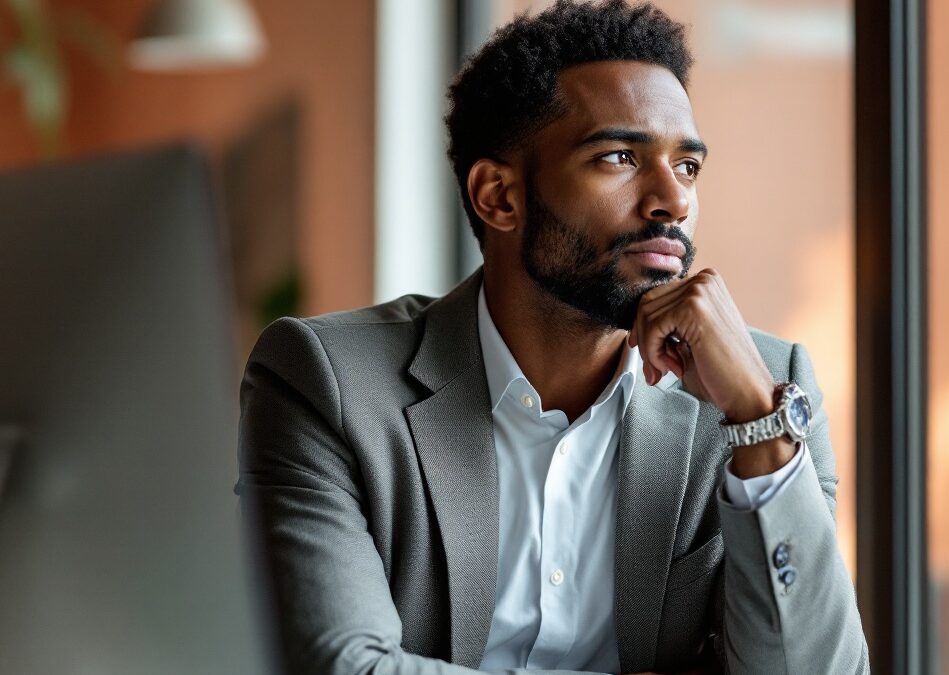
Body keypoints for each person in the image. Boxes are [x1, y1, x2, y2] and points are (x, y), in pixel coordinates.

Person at [235, 1, 869, 673]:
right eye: (620, 157)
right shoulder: (327, 382)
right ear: (498, 196)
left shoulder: (761, 388)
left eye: (687, 167)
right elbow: (340, 667)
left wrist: (758, 425)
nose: (673, 202)